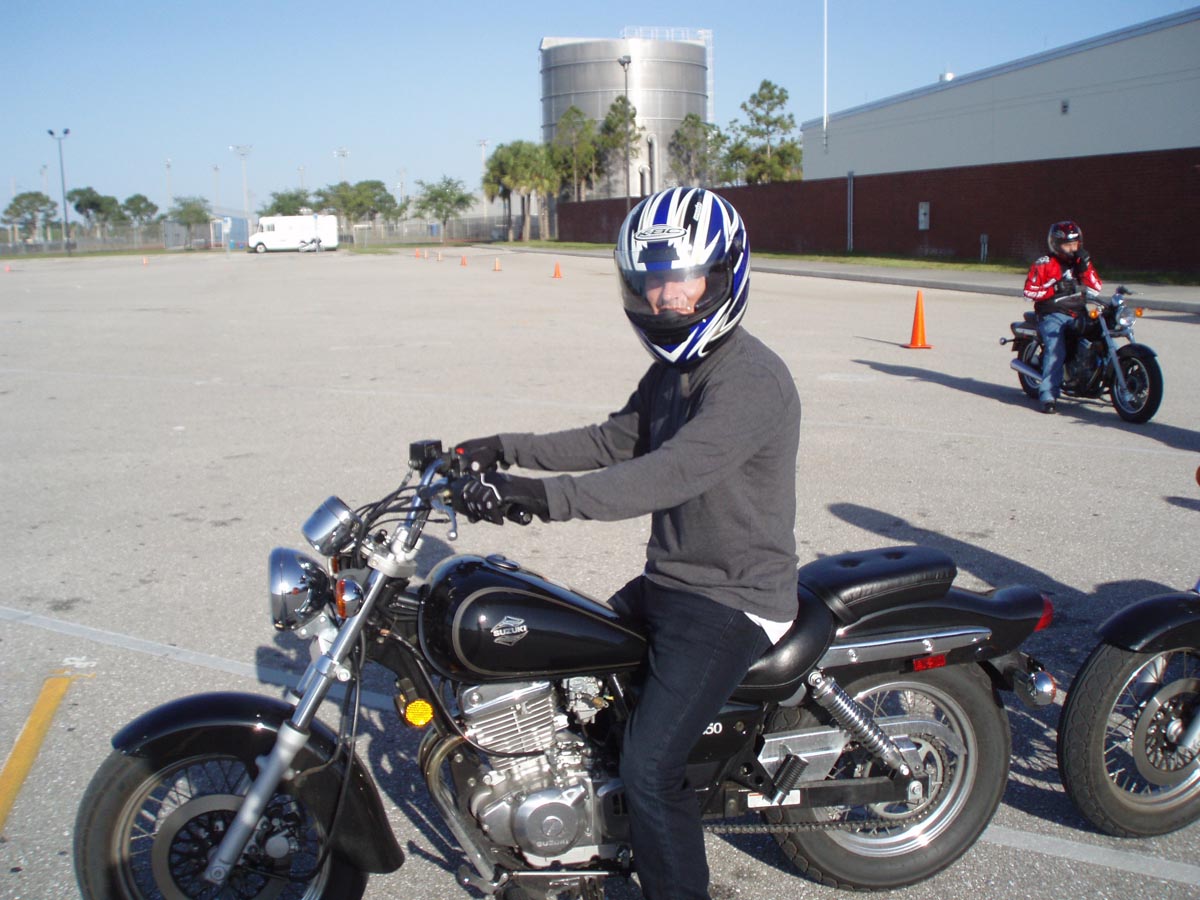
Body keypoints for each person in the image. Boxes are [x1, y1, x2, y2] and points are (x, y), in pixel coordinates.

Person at [450, 187, 801, 900]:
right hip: (671, 581)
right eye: (652, 282)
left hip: (732, 597)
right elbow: (613, 439)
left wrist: (536, 498)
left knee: (650, 767)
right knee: (573, 680)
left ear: (724, 275)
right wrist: (500, 448)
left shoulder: (750, 379)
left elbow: (665, 474)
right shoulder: (673, 371)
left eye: (682, 280)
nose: (666, 298)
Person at [1023, 220, 1103, 413]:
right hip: (1052, 314)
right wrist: (1054, 289)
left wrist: (1085, 267)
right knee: (1055, 349)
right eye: (1068, 245)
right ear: (1056, 245)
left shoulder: (1080, 263)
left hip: (1078, 312)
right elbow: (1028, 292)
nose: (1073, 249)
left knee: (1102, 335)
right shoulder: (1044, 263)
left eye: (1075, 244)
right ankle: (1048, 395)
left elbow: (1096, 288)